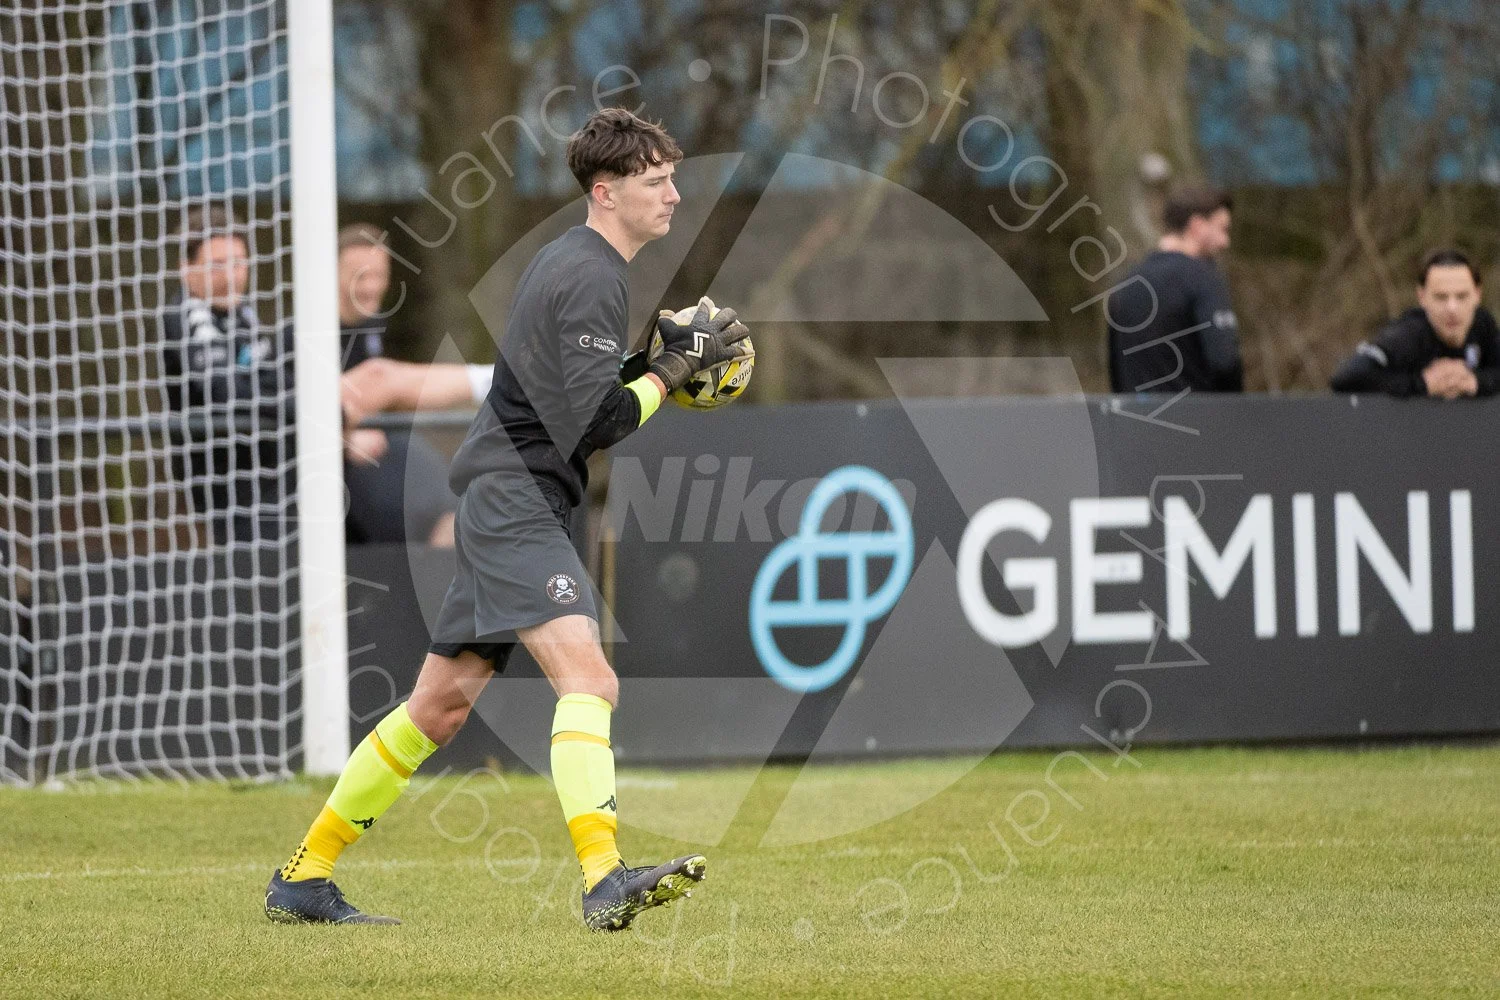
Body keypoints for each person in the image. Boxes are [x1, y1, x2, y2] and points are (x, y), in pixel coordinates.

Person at [264, 108, 752, 931]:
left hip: (513, 494)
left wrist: (646, 366)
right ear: (606, 190)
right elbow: (593, 423)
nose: (674, 191)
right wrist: (667, 373)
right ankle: (604, 880)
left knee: (438, 708)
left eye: (674, 175)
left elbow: (563, 394)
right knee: (590, 680)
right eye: (656, 179)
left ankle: (303, 878)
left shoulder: (578, 263)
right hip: (515, 500)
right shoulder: (591, 271)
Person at [162, 208, 292, 546]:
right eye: (216, 265)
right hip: (225, 478)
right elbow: (227, 393)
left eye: (238, 263)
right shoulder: (189, 315)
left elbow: (278, 378)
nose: (231, 276)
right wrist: (303, 410)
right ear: (186, 269)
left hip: (269, 466)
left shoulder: (243, 315)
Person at [332, 225, 457, 547]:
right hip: (333, 464)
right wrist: (344, 438)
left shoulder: (372, 324)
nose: (371, 286)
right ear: (333, 274)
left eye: (379, 275)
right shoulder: (308, 333)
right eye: (360, 276)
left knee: (452, 502)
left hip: (381, 446)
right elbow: (291, 405)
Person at [1107, 185, 1243, 394]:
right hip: (1198, 420)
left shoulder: (1125, 283)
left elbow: (1116, 370)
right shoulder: (1203, 277)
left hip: (1137, 421)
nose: (1225, 242)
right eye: (1222, 229)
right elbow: (1224, 362)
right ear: (1197, 226)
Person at [1330, 249, 1500, 398]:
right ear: (1422, 297)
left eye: (1461, 296)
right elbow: (1347, 377)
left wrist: (1475, 381)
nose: (1452, 308)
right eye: (1441, 297)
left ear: (1478, 295)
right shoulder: (1408, 335)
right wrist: (1422, 384)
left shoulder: (1483, 326)